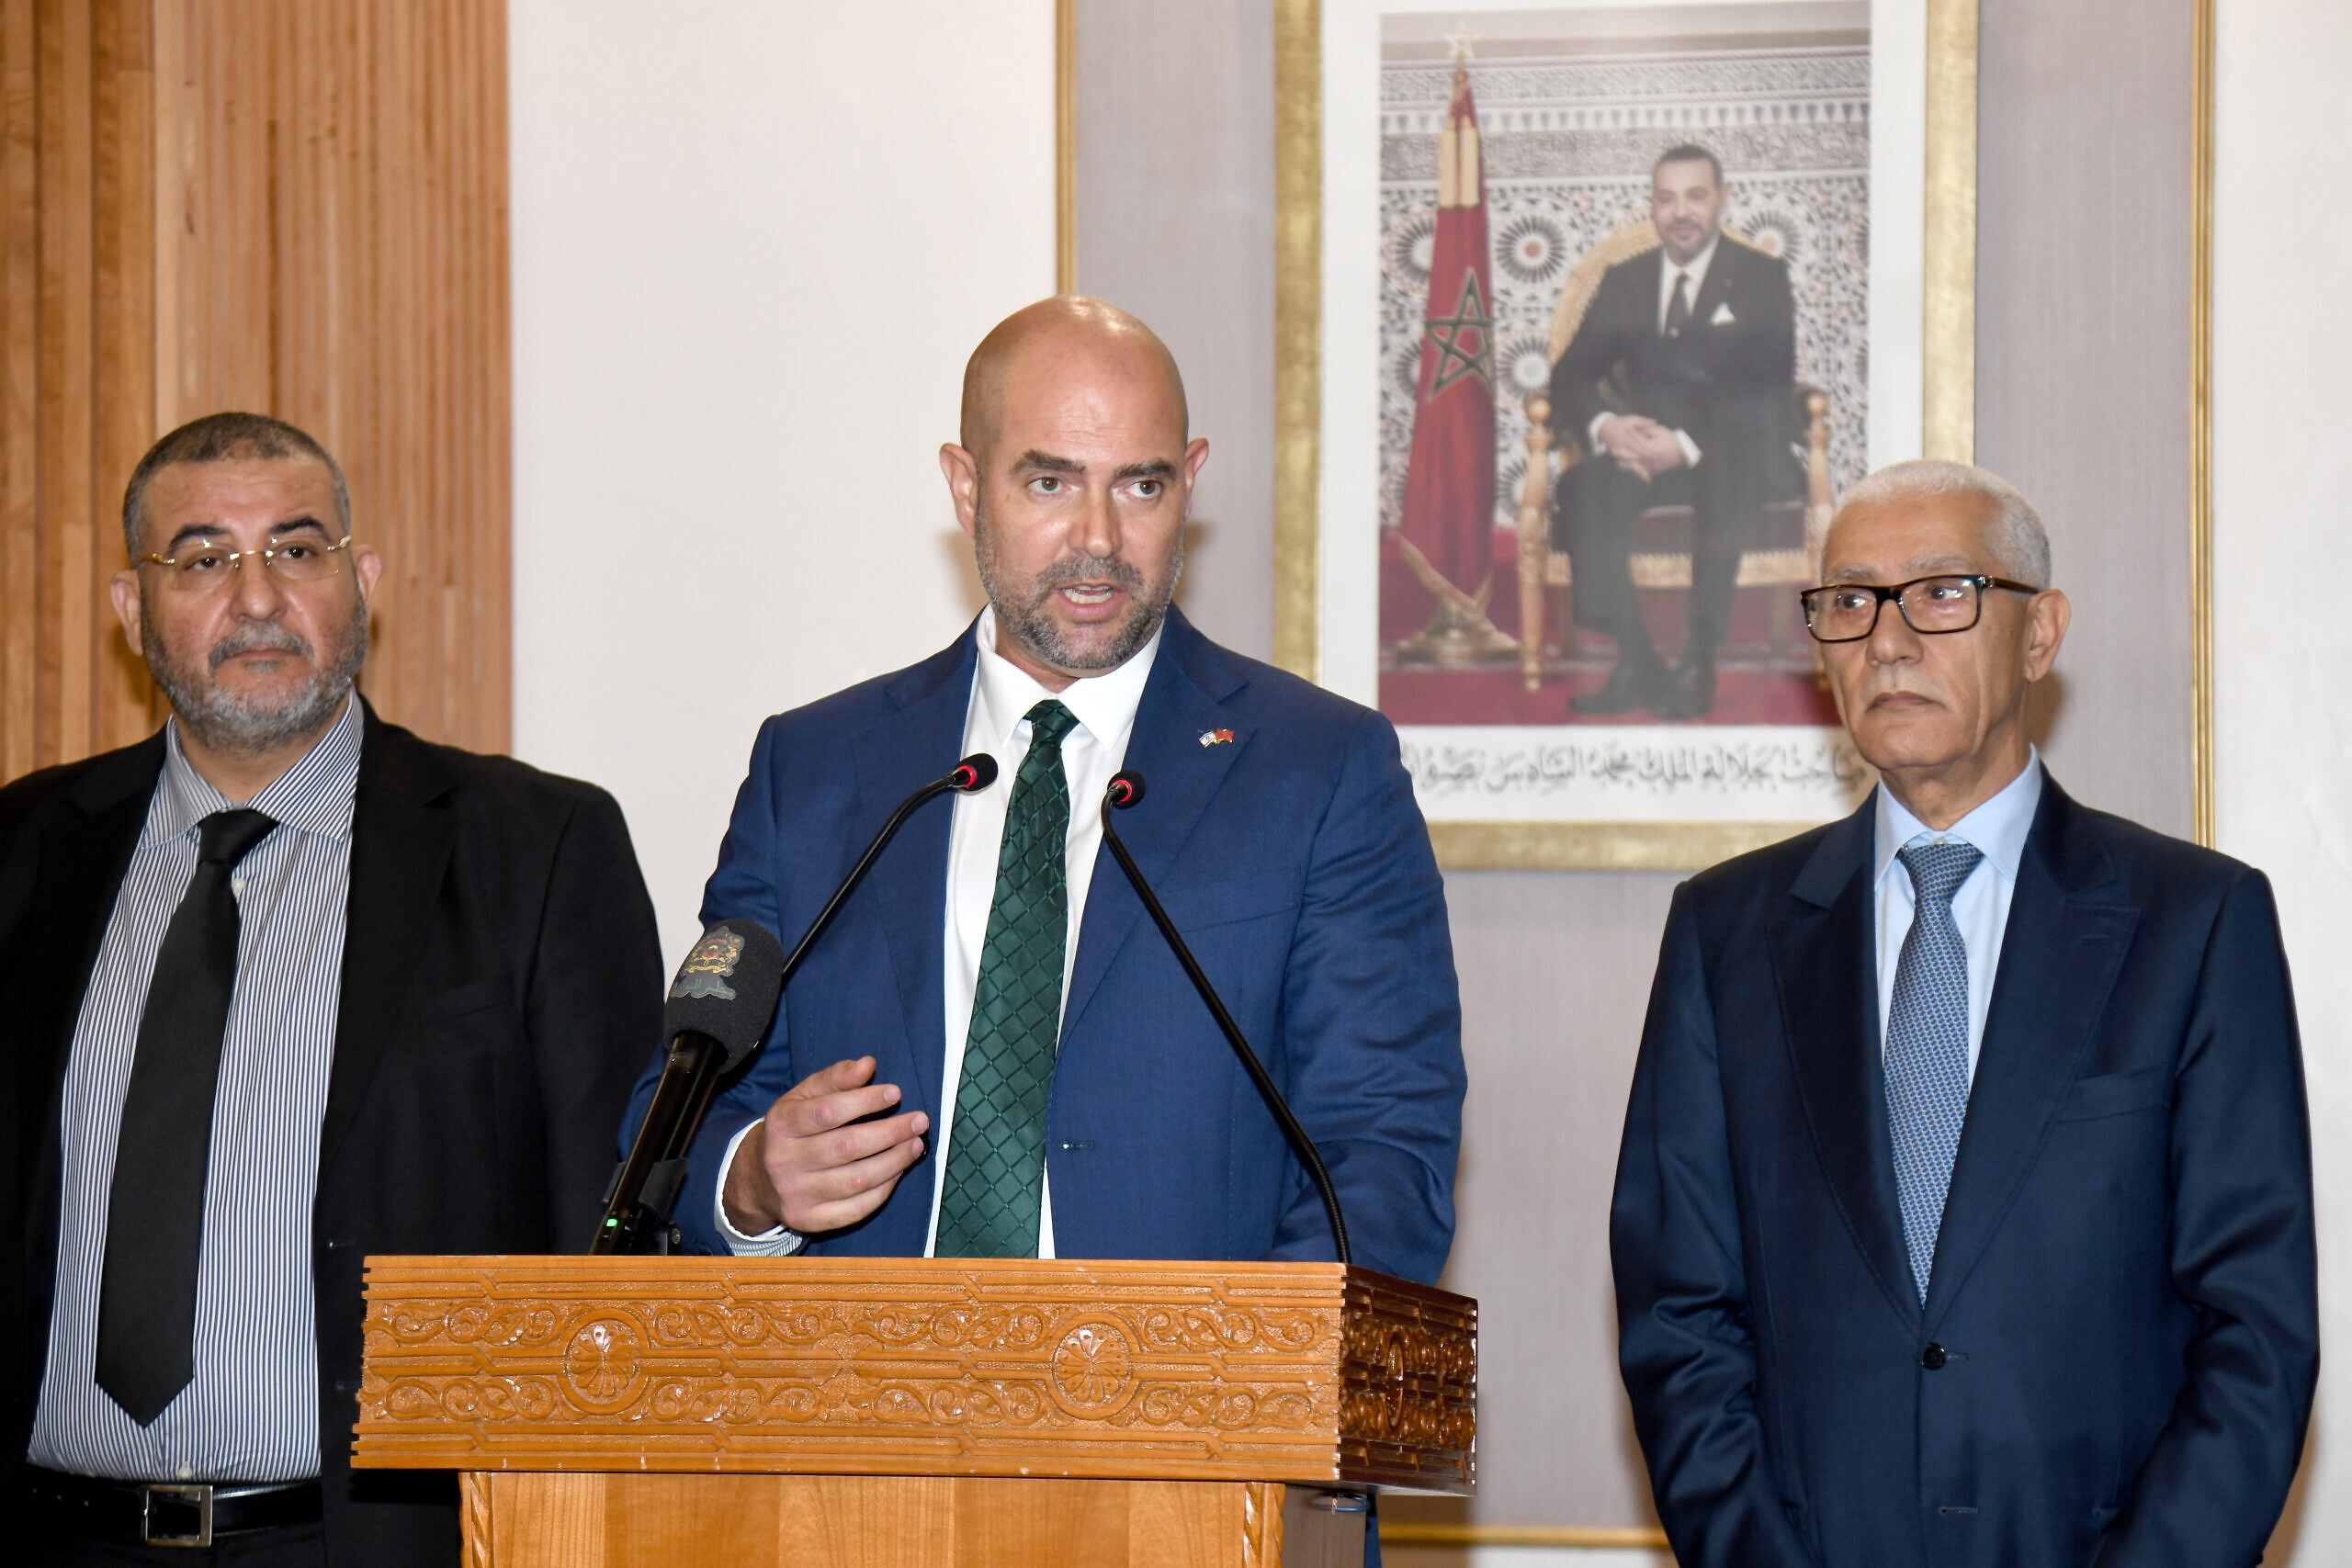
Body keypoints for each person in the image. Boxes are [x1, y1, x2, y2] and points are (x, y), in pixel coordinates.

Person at [641, 296, 1464, 1291]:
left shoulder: (1320, 768)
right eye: (1048, 481)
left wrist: (1235, 1394)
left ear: (1190, 483)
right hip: (864, 1419)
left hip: (1194, 1422)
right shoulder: (816, 770)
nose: (1099, 539)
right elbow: (678, 1113)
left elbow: (1383, 1147)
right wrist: (753, 1182)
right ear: (965, 485)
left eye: (1142, 486)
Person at [1610, 459, 2316, 1567]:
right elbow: (1678, 1322)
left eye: (1941, 592)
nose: (1886, 641)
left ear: (2039, 636)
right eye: (1847, 603)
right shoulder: (1725, 931)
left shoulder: (2194, 921)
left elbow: (2256, 1334)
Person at [0, 414, 665, 1566]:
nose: (257, 599)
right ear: (130, 610)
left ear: (361, 583)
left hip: (365, 1544)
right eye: (203, 560)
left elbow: (609, 1243)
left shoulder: (537, 847)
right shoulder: (23, 849)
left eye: (296, 552)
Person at [1548, 142, 1798, 718]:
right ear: (1653, 207)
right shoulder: (1625, 280)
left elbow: (1769, 390)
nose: (1681, 212)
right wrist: (1608, 427)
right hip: (1644, 454)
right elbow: (1569, 377)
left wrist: (1684, 447)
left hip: (1732, 452)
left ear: (1721, 201)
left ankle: (1699, 655)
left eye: (1695, 197)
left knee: (1727, 477)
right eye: (1667, 199)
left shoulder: (1761, 277)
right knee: (1582, 488)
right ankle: (1636, 657)